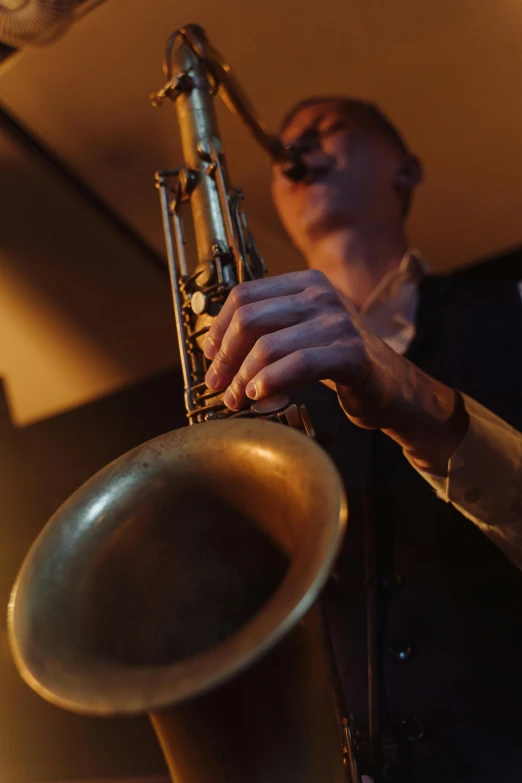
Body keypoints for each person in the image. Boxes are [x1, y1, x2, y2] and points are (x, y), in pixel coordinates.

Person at [203, 96, 522, 782]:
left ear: (406, 169)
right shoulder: (249, 388)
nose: (296, 150)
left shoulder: (512, 312)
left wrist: (411, 394)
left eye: (328, 129)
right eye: (285, 145)